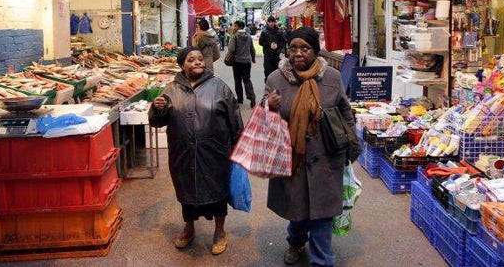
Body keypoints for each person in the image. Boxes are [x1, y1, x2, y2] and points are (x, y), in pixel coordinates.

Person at [264, 27, 361, 267]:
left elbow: (345, 111)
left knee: (322, 215)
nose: (298, 53)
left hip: (326, 157)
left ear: (315, 51)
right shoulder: (276, 79)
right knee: (297, 210)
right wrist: (269, 105)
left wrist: (351, 145)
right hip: (292, 158)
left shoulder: (332, 78)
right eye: (293, 48)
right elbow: (264, 121)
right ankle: (295, 242)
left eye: (304, 48)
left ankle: (322, 261)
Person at [148, 46, 243, 256]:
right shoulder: (171, 90)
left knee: (218, 192)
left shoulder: (219, 87)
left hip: (215, 153)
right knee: (186, 191)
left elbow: (235, 121)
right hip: (182, 154)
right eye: (191, 60)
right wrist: (157, 109)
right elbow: (156, 122)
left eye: (200, 59)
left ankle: (219, 232)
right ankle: (189, 228)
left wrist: (238, 148)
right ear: (182, 65)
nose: (198, 62)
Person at [226, 20, 257, 107]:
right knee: (247, 79)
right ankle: (251, 96)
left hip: (237, 62)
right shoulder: (248, 36)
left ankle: (240, 98)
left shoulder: (235, 37)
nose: (233, 28)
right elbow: (252, 49)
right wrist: (253, 58)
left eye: (235, 26)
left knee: (238, 80)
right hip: (247, 62)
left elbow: (231, 49)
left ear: (239, 27)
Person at [259, 15, 286, 81]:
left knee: (276, 70)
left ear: (275, 22)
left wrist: (278, 45)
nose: (271, 23)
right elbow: (260, 42)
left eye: (272, 22)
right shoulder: (264, 32)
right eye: (270, 22)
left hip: (277, 54)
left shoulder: (279, 32)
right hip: (267, 54)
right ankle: (268, 83)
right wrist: (269, 44)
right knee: (267, 69)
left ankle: (275, 83)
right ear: (267, 22)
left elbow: (283, 42)